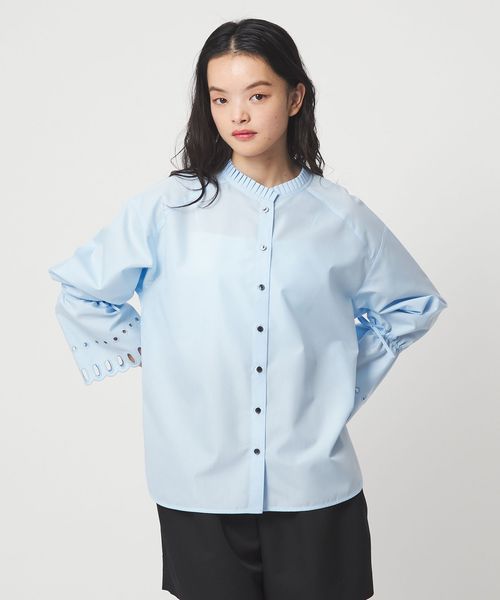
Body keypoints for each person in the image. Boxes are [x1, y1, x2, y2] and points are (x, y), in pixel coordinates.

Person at [47, 17, 448, 600]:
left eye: (257, 95)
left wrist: (337, 382)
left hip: (315, 490)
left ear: (295, 98)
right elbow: (82, 291)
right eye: (220, 98)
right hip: (197, 489)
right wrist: (164, 353)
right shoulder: (166, 209)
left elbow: (412, 304)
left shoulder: (342, 218)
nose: (238, 114)